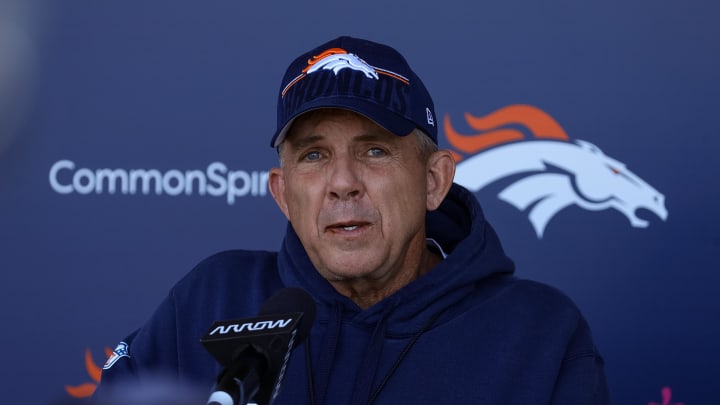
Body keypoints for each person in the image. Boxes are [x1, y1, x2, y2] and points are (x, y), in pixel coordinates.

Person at [93, 36, 610, 404]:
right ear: (283, 193)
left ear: (434, 180)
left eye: (375, 151)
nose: (343, 182)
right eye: (314, 156)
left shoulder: (539, 335)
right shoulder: (209, 299)